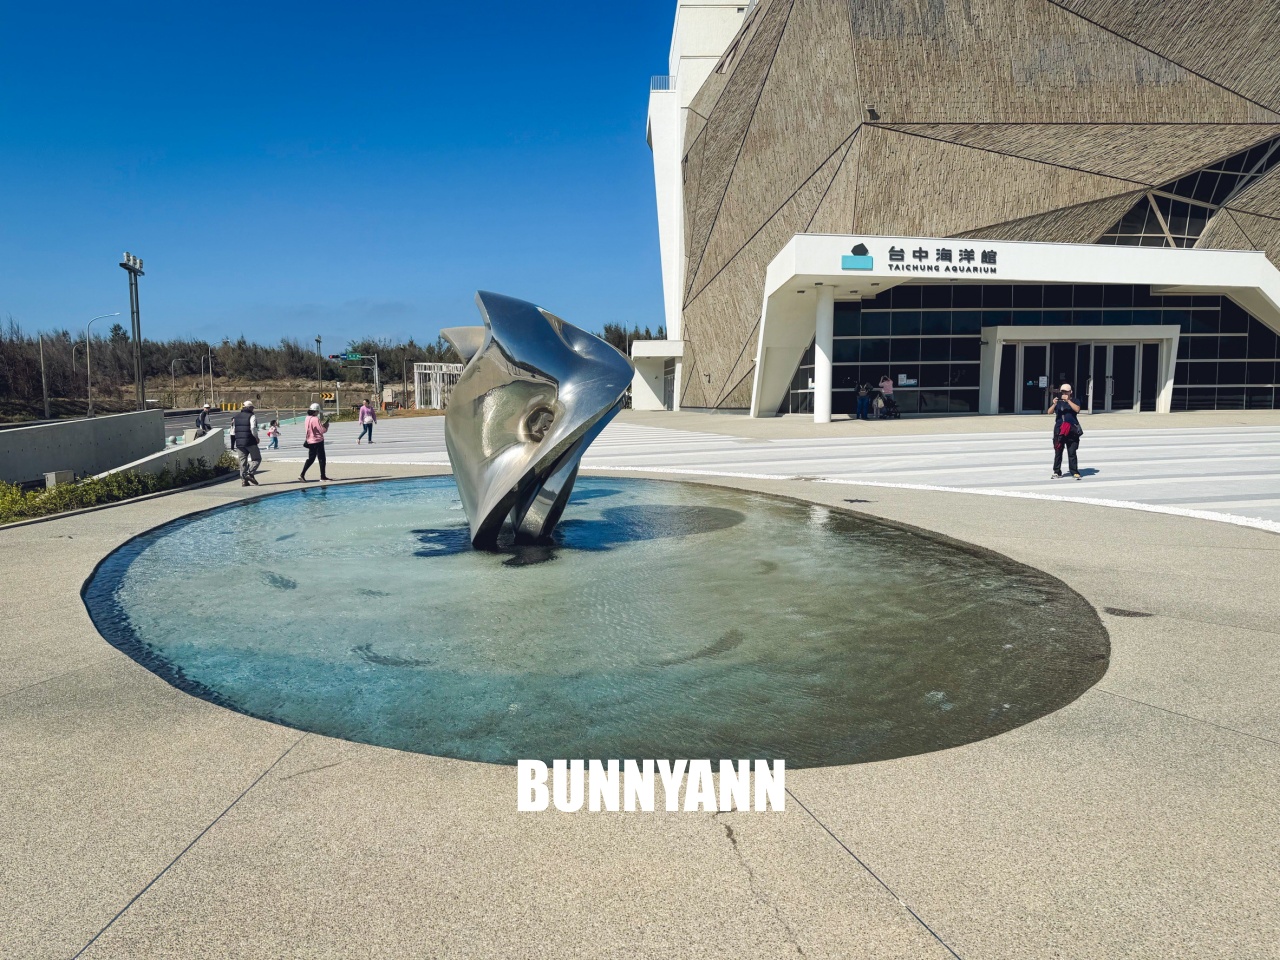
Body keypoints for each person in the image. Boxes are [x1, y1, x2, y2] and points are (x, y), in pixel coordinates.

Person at [1048, 382, 1083, 480]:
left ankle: (1074, 471)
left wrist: (1068, 401)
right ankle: (1056, 471)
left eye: (1066, 391)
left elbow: (1077, 410)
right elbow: (1049, 412)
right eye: (1063, 391)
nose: (1064, 393)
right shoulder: (1058, 402)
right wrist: (1054, 404)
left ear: (1071, 392)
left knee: (1072, 452)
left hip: (1072, 430)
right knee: (1058, 451)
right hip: (1059, 429)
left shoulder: (1075, 401)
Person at [229, 400, 262, 487]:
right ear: (249, 407)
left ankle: (244, 481)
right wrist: (256, 438)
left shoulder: (236, 417)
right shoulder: (252, 416)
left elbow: (233, 430)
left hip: (239, 442)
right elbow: (253, 428)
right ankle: (250, 474)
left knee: (242, 462)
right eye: (252, 407)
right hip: (250, 441)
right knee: (257, 458)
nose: (253, 409)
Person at [300, 403, 331, 482]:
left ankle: (302, 474)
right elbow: (322, 430)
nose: (318, 413)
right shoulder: (315, 419)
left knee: (311, 459)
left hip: (310, 441)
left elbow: (312, 428)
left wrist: (321, 425)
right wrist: (326, 426)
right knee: (322, 459)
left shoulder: (307, 418)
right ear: (315, 411)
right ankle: (323, 476)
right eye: (318, 411)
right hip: (318, 441)